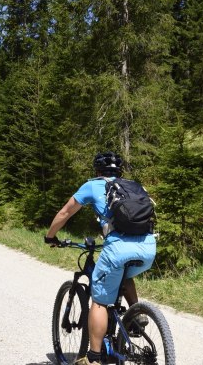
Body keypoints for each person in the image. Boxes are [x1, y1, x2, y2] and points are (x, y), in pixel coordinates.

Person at [45, 151, 157, 365]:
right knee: (123, 275)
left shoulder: (92, 185)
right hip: (148, 248)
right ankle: (136, 314)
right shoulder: (134, 185)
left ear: (97, 170)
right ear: (119, 171)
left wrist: (50, 236)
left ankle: (94, 358)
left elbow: (64, 213)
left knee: (99, 301)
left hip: (118, 249)